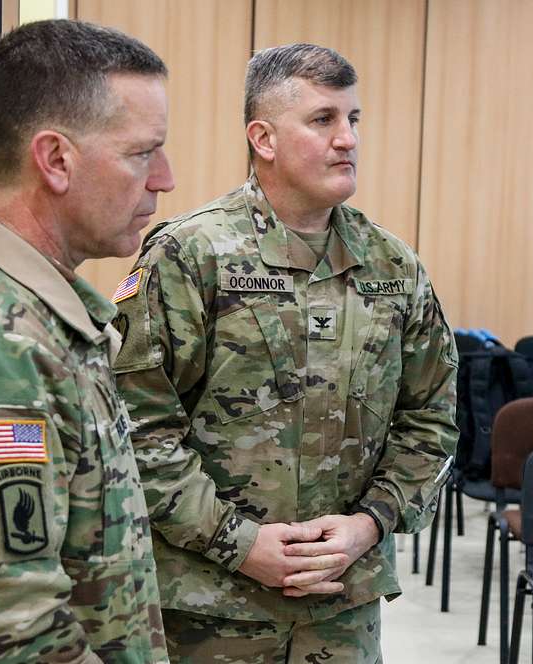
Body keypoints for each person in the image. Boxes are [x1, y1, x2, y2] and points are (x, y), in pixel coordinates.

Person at [111, 43, 458, 662]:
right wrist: (239, 542)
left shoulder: (392, 266)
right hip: (211, 607)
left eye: (354, 120)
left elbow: (431, 420)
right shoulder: (192, 255)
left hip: (342, 605)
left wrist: (372, 523)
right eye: (323, 120)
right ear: (263, 138)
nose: (347, 139)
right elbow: (136, 429)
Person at [0, 19, 175, 663]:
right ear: (54, 160)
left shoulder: (39, 319)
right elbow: (9, 638)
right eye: (141, 153)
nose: (164, 178)